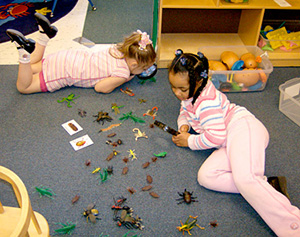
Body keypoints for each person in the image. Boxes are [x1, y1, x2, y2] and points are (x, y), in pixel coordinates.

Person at [169, 49, 300, 236]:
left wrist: (190, 140)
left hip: (243, 129)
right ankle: (266, 186)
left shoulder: (206, 103)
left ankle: (293, 225)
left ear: (198, 82)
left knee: (245, 178)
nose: (177, 93)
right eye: (173, 87)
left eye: (182, 89)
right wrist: (184, 125)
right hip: (227, 140)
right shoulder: (191, 94)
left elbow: (216, 137)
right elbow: (185, 111)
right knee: (206, 177)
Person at [6, 13, 156, 94]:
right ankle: (23, 52)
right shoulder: (123, 73)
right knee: (24, 87)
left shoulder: (118, 50)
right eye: (143, 69)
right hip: (64, 71)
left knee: (33, 66)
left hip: (66, 57)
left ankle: (43, 36)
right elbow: (101, 88)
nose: (143, 71)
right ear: (134, 64)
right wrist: (126, 79)